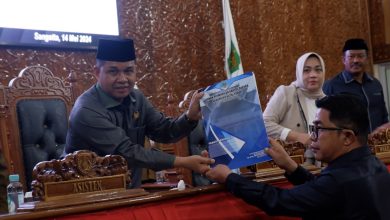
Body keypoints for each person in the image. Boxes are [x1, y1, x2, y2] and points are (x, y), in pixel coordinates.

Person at [206, 94, 390, 220]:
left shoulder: (339, 181)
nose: (313, 136)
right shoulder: (375, 165)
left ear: (347, 137)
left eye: (319, 129)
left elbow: (278, 201)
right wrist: (290, 166)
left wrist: (229, 178)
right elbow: (321, 192)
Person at [65, 38, 213, 188]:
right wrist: (183, 162)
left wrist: (190, 117)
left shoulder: (136, 98)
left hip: (130, 194)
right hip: (87, 198)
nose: (122, 79)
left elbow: (163, 130)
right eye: (113, 71)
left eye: (128, 71)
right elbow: (126, 153)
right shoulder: (86, 110)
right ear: (97, 72)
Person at [263, 52, 325, 165]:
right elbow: (264, 124)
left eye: (318, 69)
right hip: (291, 165)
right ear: (299, 72)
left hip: (322, 167)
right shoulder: (287, 93)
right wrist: (296, 136)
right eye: (306, 70)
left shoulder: (327, 101)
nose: (313, 75)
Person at [323, 38, 389, 132]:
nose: (356, 60)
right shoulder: (331, 86)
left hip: (377, 144)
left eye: (360, 56)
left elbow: (383, 116)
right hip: (348, 145)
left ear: (367, 59)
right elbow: (325, 122)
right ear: (344, 59)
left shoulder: (375, 84)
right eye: (351, 56)